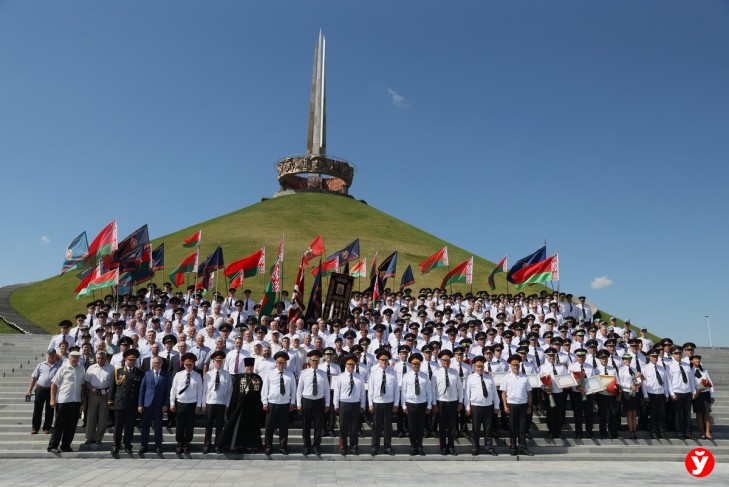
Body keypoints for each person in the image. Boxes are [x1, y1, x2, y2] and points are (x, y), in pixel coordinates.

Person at [217, 357, 264, 453]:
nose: (249, 368)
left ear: (253, 367)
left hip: (253, 408)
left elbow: (261, 393)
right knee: (240, 428)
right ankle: (239, 446)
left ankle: (252, 446)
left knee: (252, 428)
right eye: (247, 367)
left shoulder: (258, 378)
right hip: (241, 408)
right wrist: (232, 407)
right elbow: (235, 394)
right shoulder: (239, 378)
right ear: (244, 367)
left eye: (251, 367)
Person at [47, 350, 86, 453]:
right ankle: (52, 446)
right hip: (63, 400)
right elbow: (54, 384)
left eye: (77, 358)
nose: (75, 359)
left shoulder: (81, 369)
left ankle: (66, 446)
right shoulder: (63, 368)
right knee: (59, 425)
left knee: (71, 425)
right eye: (73, 357)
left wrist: (82, 399)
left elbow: (82, 385)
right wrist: (52, 399)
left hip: (76, 400)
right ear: (69, 358)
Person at [110, 348, 144, 455]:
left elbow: (141, 390)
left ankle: (127, 444)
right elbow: (113, 387)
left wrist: (140, 404)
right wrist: (111, 401)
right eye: (130, 360)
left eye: (134, 360)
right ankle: (116, 445)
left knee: (129, 426)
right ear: (125, 359)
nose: (131, 362)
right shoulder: (118, 371)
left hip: (132, 403)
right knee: (118, 426)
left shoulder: (140, 373)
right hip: (120, 402)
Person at [261, 351, 296, 455]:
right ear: (276, 363)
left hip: (285, 405)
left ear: (285, 363)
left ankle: (282, 447)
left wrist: (292, 403)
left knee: (284, 427)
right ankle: (268, 446)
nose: (281, 365)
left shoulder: (290, 375)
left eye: (283, 363)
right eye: (279, 363)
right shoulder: (270, 374)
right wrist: (264, 402)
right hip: (272, 404)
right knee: (269, 427)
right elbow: (265, 389)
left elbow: (293, 390)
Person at [296, 350, 330, 456]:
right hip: (307, 400)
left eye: (317, 361)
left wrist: (327, 404)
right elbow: (299, 389)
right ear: (310, 361)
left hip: (319, 402)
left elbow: (327, 390)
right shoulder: (304, 373)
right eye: (313, 360)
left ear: (319, 361)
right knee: (306, 425)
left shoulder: (323, 374)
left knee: (318, 426)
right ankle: (307, 446)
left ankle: (316, 447)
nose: (315, 362)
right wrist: (298, 403)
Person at [169, 352, 204, 454]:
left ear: (193, 365)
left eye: (190, 364)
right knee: (179, 425)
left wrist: (199, 405)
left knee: (190, 425)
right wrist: (172, 403)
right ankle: (179, 444)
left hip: (192, 404)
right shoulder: (178, 375)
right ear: (184, 365)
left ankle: (187, 444)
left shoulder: (197, 376)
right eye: (187, 364)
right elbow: (173, 390)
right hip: (180, 403)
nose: (189, 366)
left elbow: (200, 391)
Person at [500, 354, 534, 456]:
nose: (515, 367)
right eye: (514, 365)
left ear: (519, 365)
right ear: (510, 366)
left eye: (517, 365)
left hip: (523, 404)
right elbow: (503, 393)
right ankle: (513, 447)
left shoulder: (525, 377)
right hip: (512, 404)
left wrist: (529, 406)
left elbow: (529, 393)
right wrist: (505, 406)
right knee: (513, 427)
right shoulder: (506, 377)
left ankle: (523, 447)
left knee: (522, 428)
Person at [367, 348, 399, 456]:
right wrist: (370, 404)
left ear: (388, 361)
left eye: (385, 360)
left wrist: (396, 404)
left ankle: (388, 447)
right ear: (378, 361)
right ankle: (374, 447)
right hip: (377, 402)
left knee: (388, 427)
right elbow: (370, 389)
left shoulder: (393, 373)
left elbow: (396, 389)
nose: (384, 362)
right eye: (382, 360)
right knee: (376, 426)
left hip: (389, 403)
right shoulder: (374, 373)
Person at [334, 353, 366, 455]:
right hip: (344, 403)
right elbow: (336, 392)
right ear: (345, 365)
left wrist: (362, 405)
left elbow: (362, 393)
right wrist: (336, 405)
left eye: (353, 365)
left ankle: (354, 448)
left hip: (355, 404)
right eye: (349, 365)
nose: (351, 367)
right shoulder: (340, 377)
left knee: (354, 427)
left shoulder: (359, 377)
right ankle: (343, 447)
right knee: (343, 427)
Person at [138, 356, 171, 455]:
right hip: (147, 404)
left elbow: (168, 391)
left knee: (158, 426)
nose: (156, 364)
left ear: (161, 364)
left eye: (158, 363)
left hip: (159, 405)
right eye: (155, 363)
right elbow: (142, 390)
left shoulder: (166, 375)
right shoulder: (147, 374)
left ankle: (158, 446)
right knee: (145, 426)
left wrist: (166, 404)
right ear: (152, 364)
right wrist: (140, 404)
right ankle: (144, 446)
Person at [431, 349, 462, 455]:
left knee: (452, 426)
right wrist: (434, 403)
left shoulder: (455, 373)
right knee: (442, 426)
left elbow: (459, 388)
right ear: (440, 361)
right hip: (441, 402)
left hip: (453, 402)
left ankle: (451, 446)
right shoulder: (436, 373)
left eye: (448, 361)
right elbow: (433, 389)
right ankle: (443, 447)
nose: (446, 362)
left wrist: (460, 402)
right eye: (444, 361)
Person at [401, 352, 432, 456]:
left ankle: (420, 446)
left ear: (420, 364)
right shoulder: (406, 376)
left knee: (420, 427)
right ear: (411, 364)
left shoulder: (425, 376)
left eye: (418, 364)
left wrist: (429, 405)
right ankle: (413, 446)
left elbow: (429, 391)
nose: (416, 366)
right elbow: (403, 392)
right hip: (411, 404)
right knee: (411, 427)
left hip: (422, 404)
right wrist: (404, 405)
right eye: (414, 364)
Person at [202, 350, 233, 454]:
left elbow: (229, 391)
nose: (218, 363)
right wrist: (203, 404)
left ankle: (218, 446)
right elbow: (204, 390)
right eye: (217, 361)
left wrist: (228, 404)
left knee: (220, 426)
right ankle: (207, 445)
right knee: (208, 426)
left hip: (221, 403)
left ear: (223, 362)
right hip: (210, 403)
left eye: (220, 361)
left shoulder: (227, 375)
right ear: (213, 362)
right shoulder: (208, 374)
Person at [27, 349, 61, 435]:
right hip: (40, 389)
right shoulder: (41, 365)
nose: (51, 357)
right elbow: (34, 377)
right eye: (49, 355)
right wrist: (29, 389)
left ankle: (47, 428)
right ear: (47, 355)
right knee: (37, 409)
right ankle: (35, 428)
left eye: (53, 355)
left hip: (51, 390)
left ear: (55, 356)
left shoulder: (59, 366)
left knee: (50, 410)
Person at [666, 345, 697, 439]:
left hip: (687, 392)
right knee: (678, 414)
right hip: (677, 392)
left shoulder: (686, 365)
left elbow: (691, 380)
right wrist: (671, 393)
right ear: (672, 355)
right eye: (676, 353)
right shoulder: (670, 366)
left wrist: (693, 391)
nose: (678, 355)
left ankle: (688, 433)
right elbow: (669, 381)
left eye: (680, 353)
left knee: (687, 414)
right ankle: (679, 432)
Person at [84, 350, 114, 445]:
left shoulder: (111, 368)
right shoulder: (91, 368)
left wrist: (109, 391)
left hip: (105, 395)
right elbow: (86, 382)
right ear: (96, 358)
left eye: (102, 358)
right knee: (91, 417)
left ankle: (98, 438)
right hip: (93, 394)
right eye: (98, 358)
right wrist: (91, 388)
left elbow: (113, 383)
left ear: (106, 358)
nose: (100, 360)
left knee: (103, 418)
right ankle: (89, 438)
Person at [641, 348, 669, 439]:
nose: (655, 358)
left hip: (660, 393)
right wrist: (645, 395)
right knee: (653, 414)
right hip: (651, 393)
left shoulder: (661, 368)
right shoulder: (645, 368)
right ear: (649, 357)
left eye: (656, 356)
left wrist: (666, 394)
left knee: (661, 414)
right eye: (653, 356)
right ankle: (653, 431)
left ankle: (661, 432)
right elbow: (644, 383)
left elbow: (665, 382)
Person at [618, 352, 643, 439]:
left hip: (635, 392)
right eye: (626, 359)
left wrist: (639, 380)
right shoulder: (621, 370)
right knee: (629, 413)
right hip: (627, 392)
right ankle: (631, 432)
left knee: (634, 413)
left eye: (629, 359)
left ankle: (635, 432)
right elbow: (620, 382)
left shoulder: (634, 369)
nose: (627, 361)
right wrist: (630, 386)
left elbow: (638, 381)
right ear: (623, 360)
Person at [690, 355, 715, 440]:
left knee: (706, 413)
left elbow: (710, 383)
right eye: (696, 359)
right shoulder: (690, 371)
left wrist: (712, 395)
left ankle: (708, 432)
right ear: (692, 361)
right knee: (699, 413)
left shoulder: (704, 371)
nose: (698, 360)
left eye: (699, 359)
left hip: (705, 393)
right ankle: (702, 432)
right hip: (697, 395)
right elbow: (691, 383)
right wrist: (695, 392)